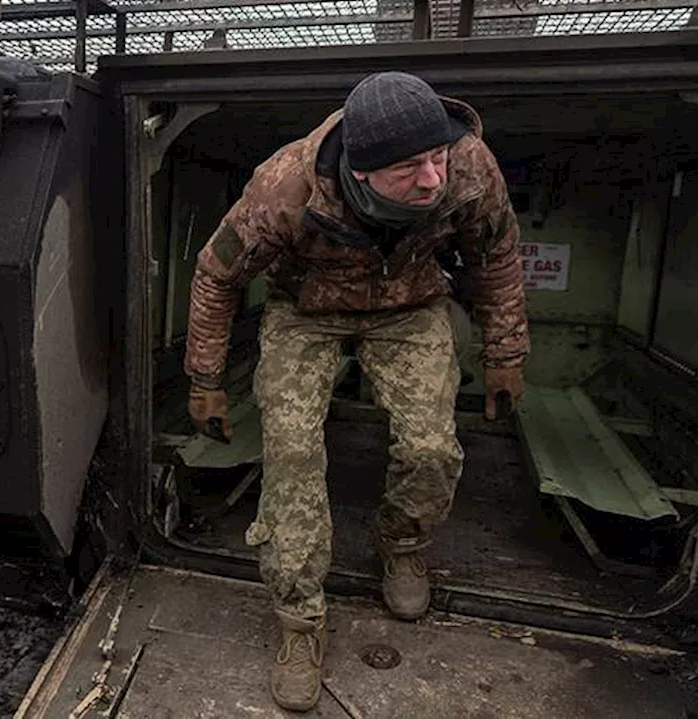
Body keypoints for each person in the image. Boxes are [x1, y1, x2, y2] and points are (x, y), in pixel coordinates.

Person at [183, 71, 528, 712]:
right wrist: (205, 381)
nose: (431, 178)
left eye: (436, 157)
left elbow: (497, 254)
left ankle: (402, 545)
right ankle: (299, 622)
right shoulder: (283, 189)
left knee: (431, 447)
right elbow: (215, 275)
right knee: (290, 455)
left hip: (412, 304)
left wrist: (505, 353)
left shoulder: (469, 166)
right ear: (361, 173)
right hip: (305, 311)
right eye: (409, 168)